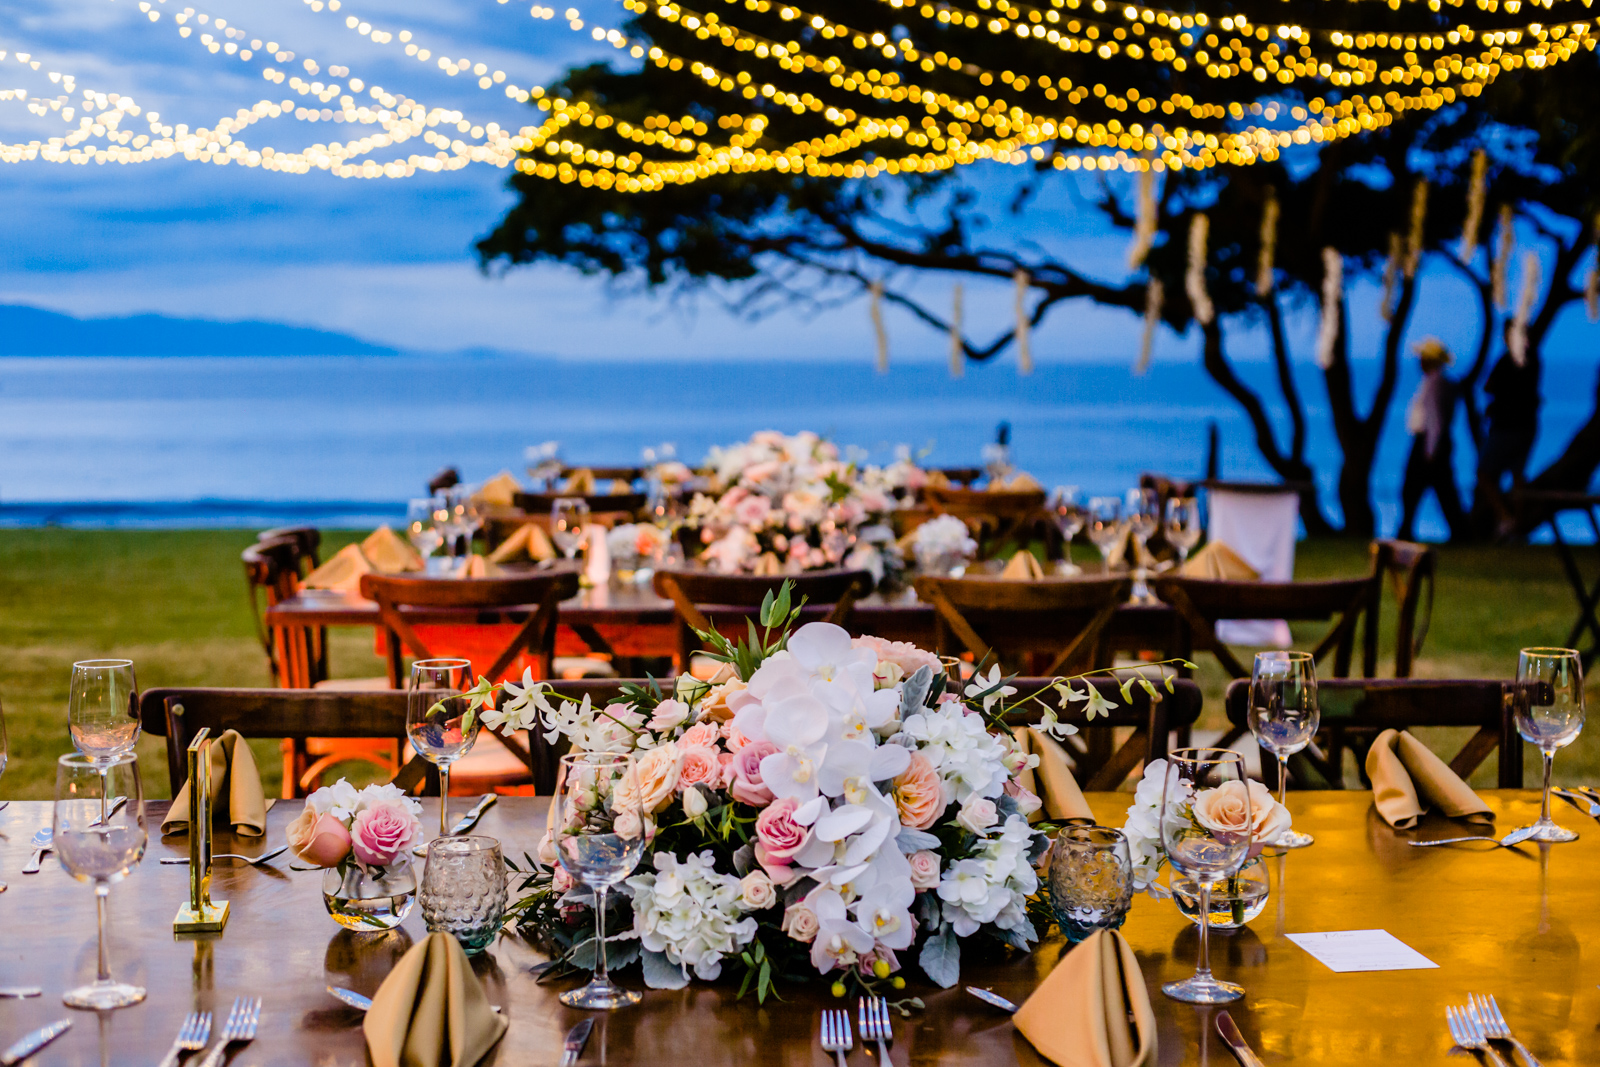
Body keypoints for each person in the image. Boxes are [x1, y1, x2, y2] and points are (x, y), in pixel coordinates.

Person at [1475, 321, 1541, 536]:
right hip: (1526, 426)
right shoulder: (1534, 359)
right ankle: (1516, 522)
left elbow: (1489, 385)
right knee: (1517, 474)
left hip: (1507, 426)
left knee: (1485, 474)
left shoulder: (1509, 359)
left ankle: (1506, 518)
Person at [1399, 337, 1466, 541]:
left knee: (1416, 488)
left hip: (1428, 443)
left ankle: (1458, 531)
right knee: (1442, 491)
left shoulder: (1435, 383)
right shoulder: (1438, 383)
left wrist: (1430, 450)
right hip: (1433, 443)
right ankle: (1458, 531)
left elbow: (1435, 419)